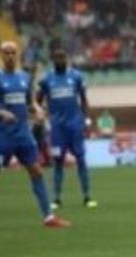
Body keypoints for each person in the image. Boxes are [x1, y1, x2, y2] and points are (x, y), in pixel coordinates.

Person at [0, 41, 70, 231]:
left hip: (23, 135)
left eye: (13, 53)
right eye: (6, 53)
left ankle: (48, 217)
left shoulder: (24, 77)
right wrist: (0, 113)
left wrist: (38, 110)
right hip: (2, 135)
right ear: (1, 55)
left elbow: (30, 103)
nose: (10, 56)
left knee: (37, 171)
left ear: (18, 55)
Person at [37, 45, 95, 210]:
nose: (60, 60)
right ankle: (56, 199)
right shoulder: (46, 79)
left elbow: (84, 100)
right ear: (53, 60)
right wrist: (40, 114)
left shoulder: (76, 76)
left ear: (67, 59)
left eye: (62, 57)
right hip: (57, 128)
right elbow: (37, 101)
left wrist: (86, 121)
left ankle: (87, 197)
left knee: (81, 160)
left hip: (75, 126)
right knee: (58, 162)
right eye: (57, 58)